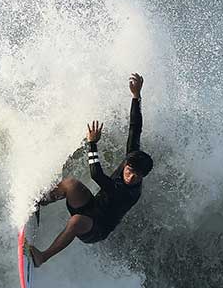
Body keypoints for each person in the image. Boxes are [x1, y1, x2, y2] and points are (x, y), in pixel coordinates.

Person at [28, 73, 153, 267]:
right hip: (91, 205)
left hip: (97, 228)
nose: (130, 176)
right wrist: (136, 97)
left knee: (76, 221)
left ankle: (42, 257)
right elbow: (135, 128)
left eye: (136, 175)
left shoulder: (128, 194)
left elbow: (97, 176)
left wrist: (92, 144)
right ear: (127, 163)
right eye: (129, 170)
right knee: (70, 184)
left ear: (142, 176)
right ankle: (39, 203)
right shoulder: (132, 156)